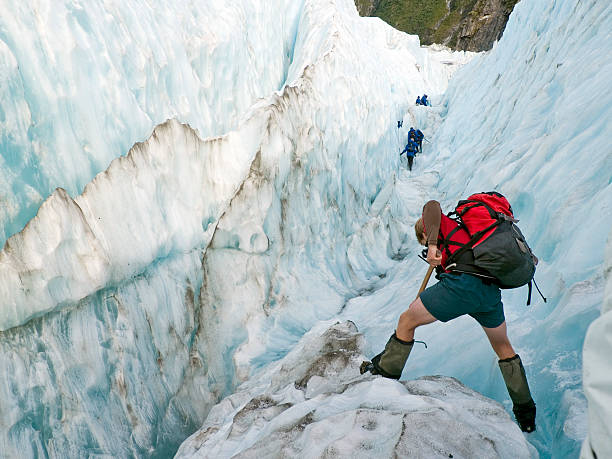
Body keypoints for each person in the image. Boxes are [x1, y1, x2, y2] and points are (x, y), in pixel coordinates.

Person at [363, 199, 537, 433]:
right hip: (487, 293)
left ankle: (384, 376)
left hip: (461, 285)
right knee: (503, 346)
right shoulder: (467, 238)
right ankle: (526, 413)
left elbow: (432, 206)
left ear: (425, 232)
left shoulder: (440, 225)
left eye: (424, 244)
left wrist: (433, 244)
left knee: (406, 321)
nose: (427, 251)